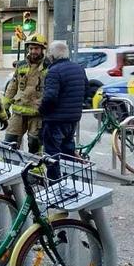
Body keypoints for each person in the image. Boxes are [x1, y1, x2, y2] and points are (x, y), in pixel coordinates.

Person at [40, 41, 87, 178]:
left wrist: (42, 111)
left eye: (49, 53)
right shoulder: (78, 68)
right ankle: (72, 182)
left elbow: (50, 97)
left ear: (52, 55)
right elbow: (86, 90)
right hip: (73, 119)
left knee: (52, 155)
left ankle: (55, 184)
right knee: (68, 152)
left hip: (55, 120)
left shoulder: (54, 71)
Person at [3, 34, 48, 153]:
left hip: (37, 113)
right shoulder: (21, 65)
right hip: (18, 112)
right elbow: (13, 87)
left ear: (42, 49)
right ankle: (11, 169)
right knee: (9, 142)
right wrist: (5, 106)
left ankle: (35, 170)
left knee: (35, 144)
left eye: (36, 49)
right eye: (31, 48)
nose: (33, 51)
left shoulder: (48, 66)